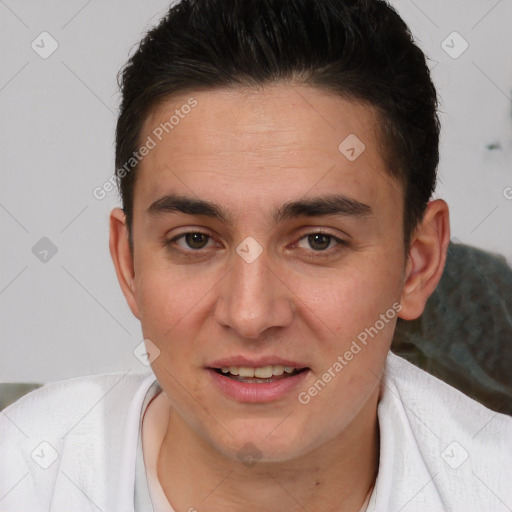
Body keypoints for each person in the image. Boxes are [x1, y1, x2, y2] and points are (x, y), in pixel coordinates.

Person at [1, 0, 511, 511]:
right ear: (129, 263)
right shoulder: (21, 475)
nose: (250, 315)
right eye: (195, 240)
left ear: (417, 264)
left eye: (318, 241)